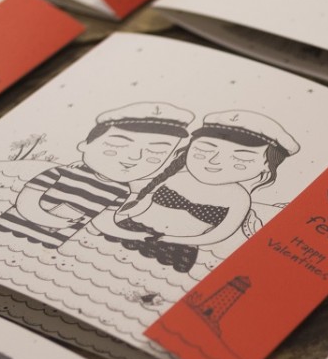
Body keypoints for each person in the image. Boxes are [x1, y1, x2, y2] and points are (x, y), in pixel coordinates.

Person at [96, 111, 299, 274]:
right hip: (133, 230)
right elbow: (141, 204)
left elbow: (221, 233)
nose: (214, 161)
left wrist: (176, 240)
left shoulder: (239, 198)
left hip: (175, 248)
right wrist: (120, 223)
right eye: (204, 149)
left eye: (241, 158)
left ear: (266, 166)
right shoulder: (174, 177)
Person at [0, 102, 194, 249]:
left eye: (156, 152)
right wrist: (48, 220)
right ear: (85, 144)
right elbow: (26, 201)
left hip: (50, 244)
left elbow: (103, 221)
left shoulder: (121, 190)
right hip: (6, 233)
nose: (134, 157)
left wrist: (136, 235)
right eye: (118, 144)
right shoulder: (62, 172)